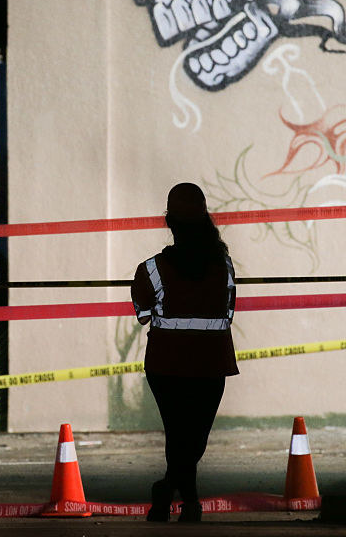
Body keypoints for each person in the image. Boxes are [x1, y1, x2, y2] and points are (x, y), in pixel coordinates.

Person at [131, 183, 239, 523]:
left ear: (170, 223)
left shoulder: (150, 269)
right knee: (193, 440)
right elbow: (229, 312)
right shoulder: (224, 266)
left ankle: (169, 495)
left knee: (178, 435)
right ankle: (185, 502)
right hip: (211, 363)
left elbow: (143, 313)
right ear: (206, 220)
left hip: (166, 365)